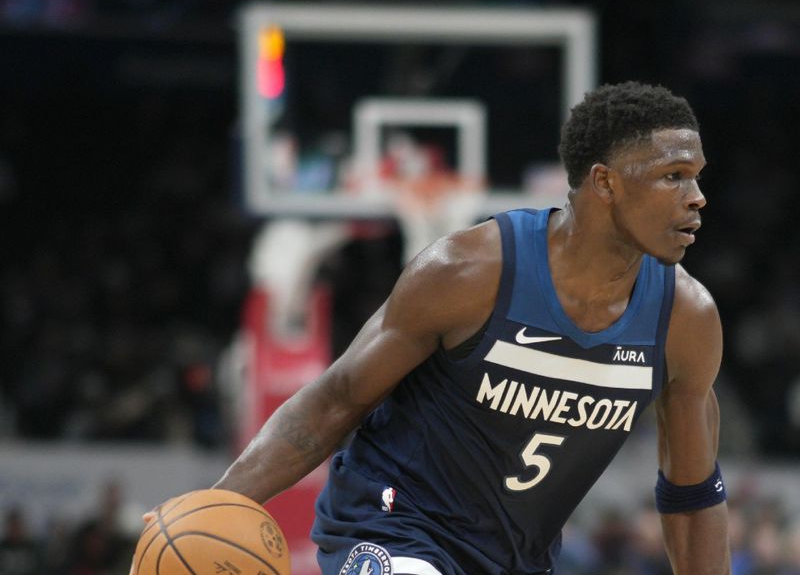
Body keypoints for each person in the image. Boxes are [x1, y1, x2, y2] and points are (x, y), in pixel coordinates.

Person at [149, 81, 731, 574]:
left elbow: (692, 494)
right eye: (673, 176)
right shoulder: (469, 272)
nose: (698, 197)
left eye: (697, 176)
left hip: (515, 556)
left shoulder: (686, 320)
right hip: (390, 526)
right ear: (605, 183)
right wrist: (214, 503)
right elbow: (334, 401)